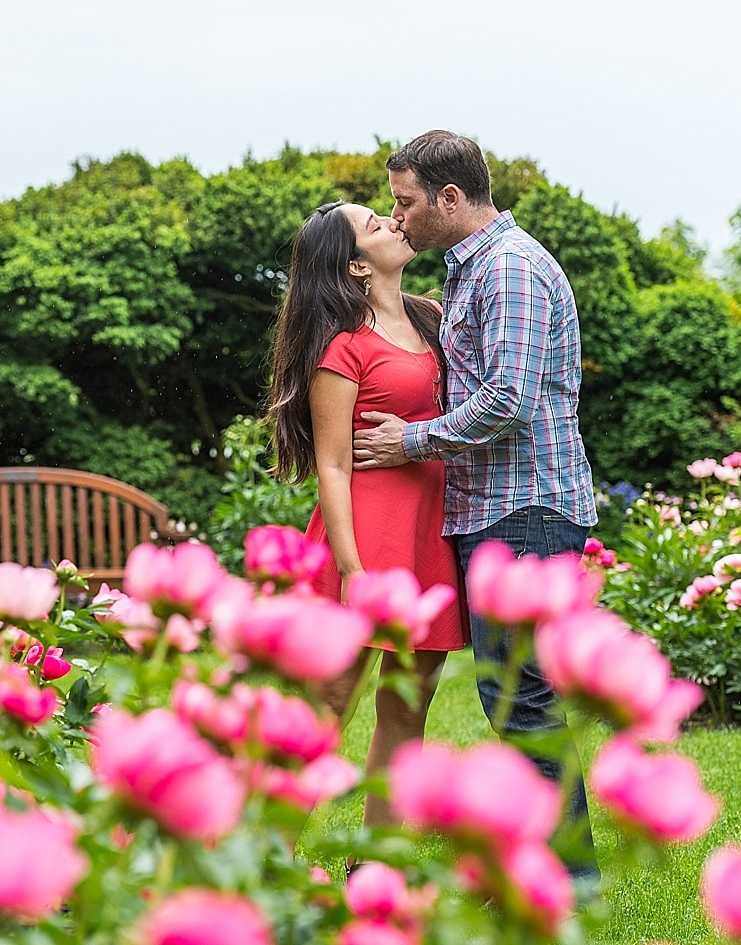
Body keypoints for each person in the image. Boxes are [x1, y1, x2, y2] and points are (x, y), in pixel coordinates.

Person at [351, 129, 601, 885]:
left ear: (450, 199)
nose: (398, 220)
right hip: (496, 507)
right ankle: (554, 875)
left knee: (520, 695)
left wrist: (412, 441)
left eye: (406, 203)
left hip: (526, 508)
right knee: (511, 694)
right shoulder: (468, 274)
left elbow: (510, 399)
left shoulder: (510, 268)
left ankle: (570, 884)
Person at [264, 199, 466, 831]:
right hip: (363, 542)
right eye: (373, 224)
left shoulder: (434, 319)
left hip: (429, 536)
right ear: (354, 266)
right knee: (326, 707)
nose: (392, 222)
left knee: (410, 705)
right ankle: (267, 859)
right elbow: (332, 466)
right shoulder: (343, 346)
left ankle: (379, 868)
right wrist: (351, 570)